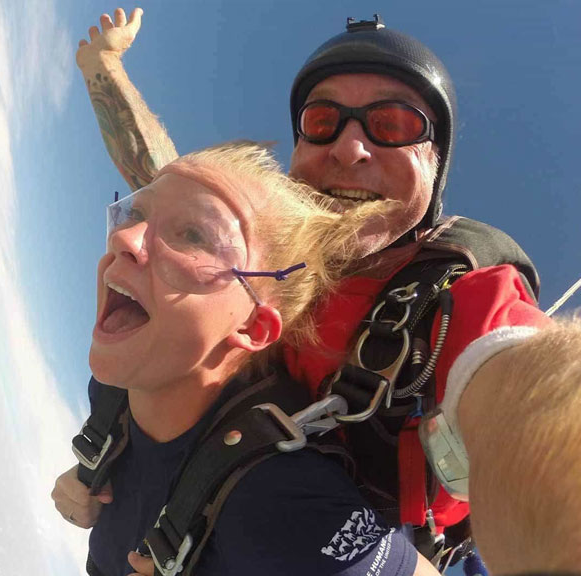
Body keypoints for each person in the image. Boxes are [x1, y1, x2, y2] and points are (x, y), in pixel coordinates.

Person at [57, 8, 581, 575]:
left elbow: (530, 387)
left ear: (435, 170)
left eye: (395, 125)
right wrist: (102, 66)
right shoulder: (266, 248)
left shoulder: (456, 298)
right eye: (324, 119)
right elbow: (164, 182)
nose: (350, 147)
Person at [70, 140, 438, 576]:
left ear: (252, 328)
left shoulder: (280, 500)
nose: (124, 238)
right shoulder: (117, 392)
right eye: (137, 213)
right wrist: (83, 476)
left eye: (195, 235)